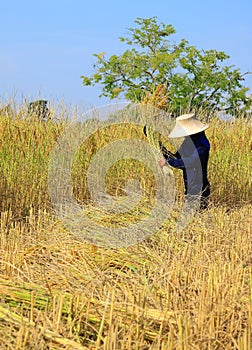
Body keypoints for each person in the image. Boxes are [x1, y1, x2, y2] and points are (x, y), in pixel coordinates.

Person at [158, 113, 211, 210]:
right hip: (190, 185)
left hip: (199, 187)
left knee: (198, 215)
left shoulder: (202, 145)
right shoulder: (188, 142)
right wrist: (161, 148)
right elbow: (177, 157)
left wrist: (169, 162)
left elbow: (192, 161)